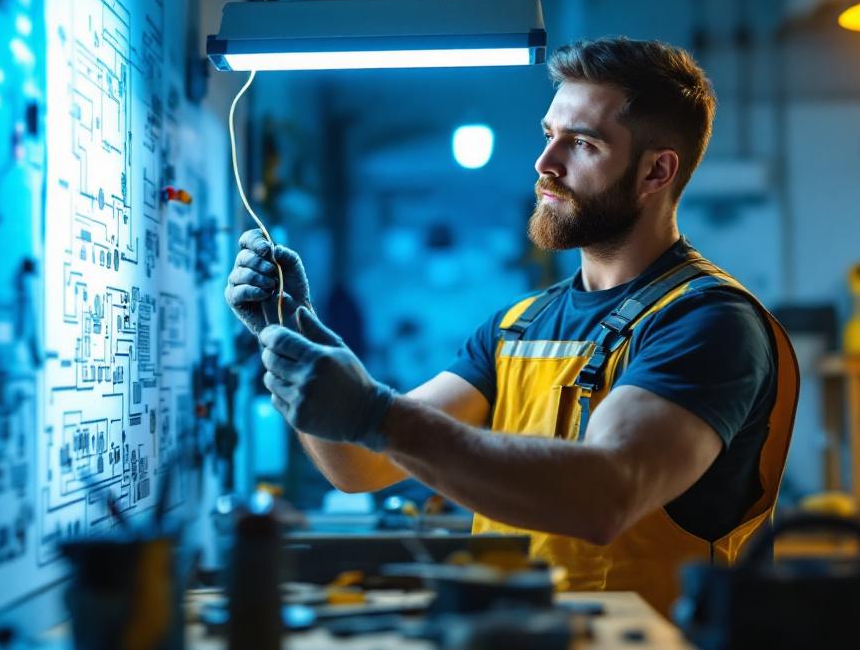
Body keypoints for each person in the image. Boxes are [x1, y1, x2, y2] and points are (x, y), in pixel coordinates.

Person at [224, 37, 799, 613]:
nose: (546, 164)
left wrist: (377, 414)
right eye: (550, 135)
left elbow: (608, 495)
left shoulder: (707, 322)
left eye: (582, 143)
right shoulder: (519, 326)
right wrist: (291, 331)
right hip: (519, 643)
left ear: (656, 171)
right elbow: (359, 464)